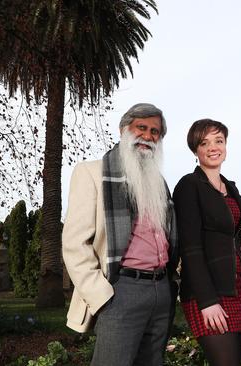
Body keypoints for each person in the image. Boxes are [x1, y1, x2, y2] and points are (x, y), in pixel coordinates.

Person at [62, 103, 178, 366]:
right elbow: (74, 244)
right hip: (120, 290)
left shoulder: (158, 182)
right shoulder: (91, 172)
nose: (148, 136)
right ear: (124, 129)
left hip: (160, 289)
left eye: (156, 132)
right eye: (142, 128)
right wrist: (101, 296)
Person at [173, 119, 241, 366]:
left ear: (226, 146)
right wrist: (207, 302)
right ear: (195, 150)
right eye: (204, 143)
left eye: (219, 141)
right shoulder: (189, 185)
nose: (213, 147)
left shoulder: (231, 188)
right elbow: (190, 248)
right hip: (207, 295)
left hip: (238, 290)